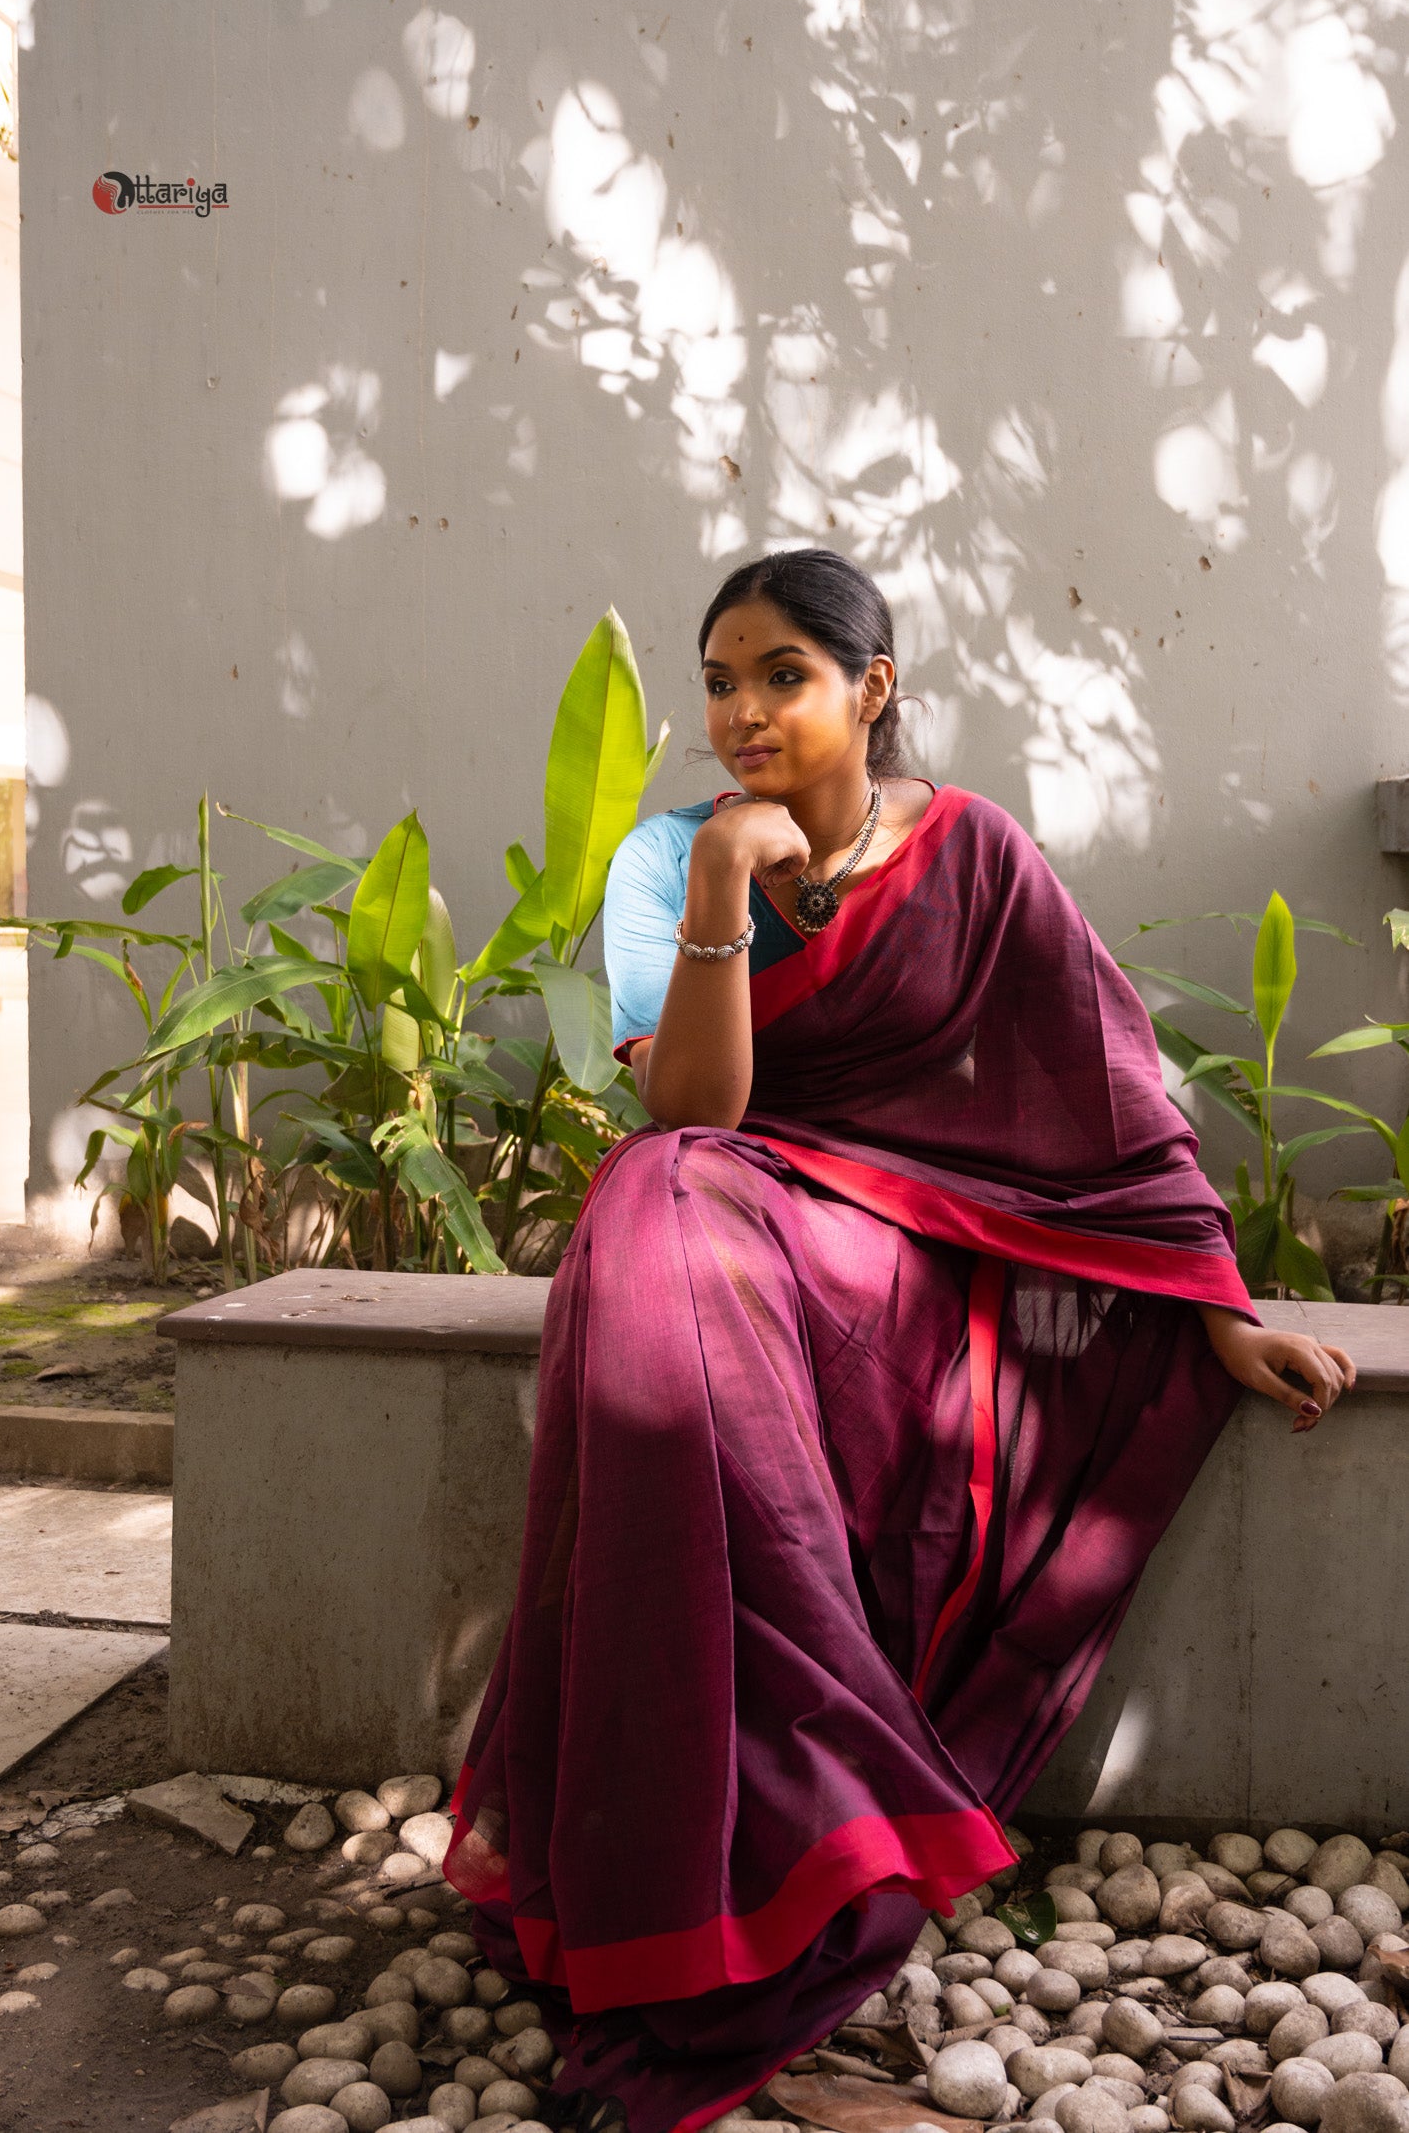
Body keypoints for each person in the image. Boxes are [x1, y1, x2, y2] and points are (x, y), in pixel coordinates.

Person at [442, 548, 1355, 2133]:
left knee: (663, 1227)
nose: (739, 711)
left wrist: (1216, 1311)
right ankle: (751, 1837)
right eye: (719, 679)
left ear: (872, 688)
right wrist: (727, 878)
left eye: (781, 674)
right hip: (737, 1219)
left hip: (911, 1261)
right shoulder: (668, 860)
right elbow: (703, 1108)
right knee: (658, 1198)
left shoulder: (974, 854)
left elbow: (1109, 1092)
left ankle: (784, 1824)